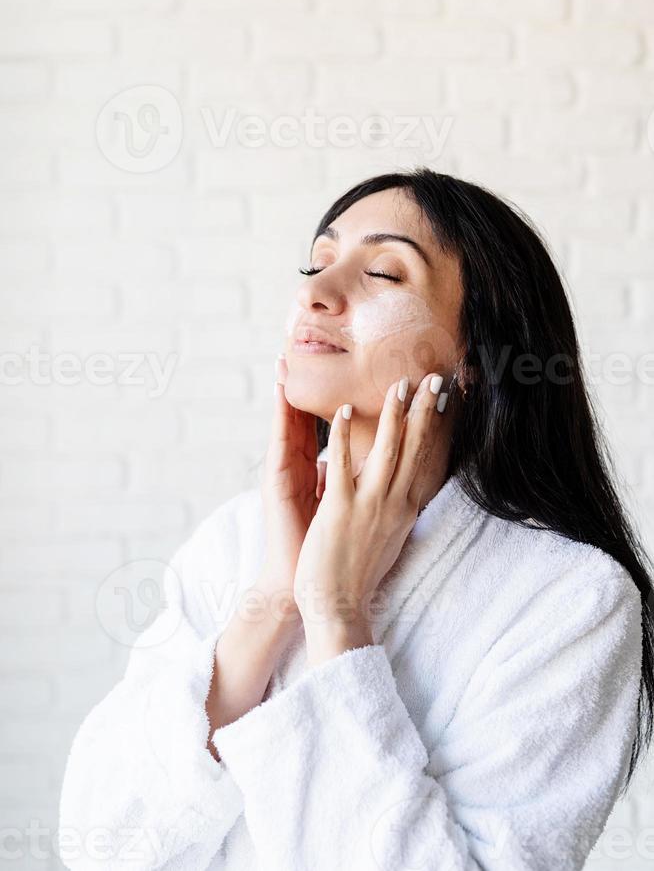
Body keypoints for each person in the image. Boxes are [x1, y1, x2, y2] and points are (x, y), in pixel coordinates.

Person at [58, 167, 653, 870]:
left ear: (475, 359)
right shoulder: (233, 542)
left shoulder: (572, 599)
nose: (314, 291)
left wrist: (336, 613)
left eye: (382, 272)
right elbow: (102, 845)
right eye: (317, 262)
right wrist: (277, 595)